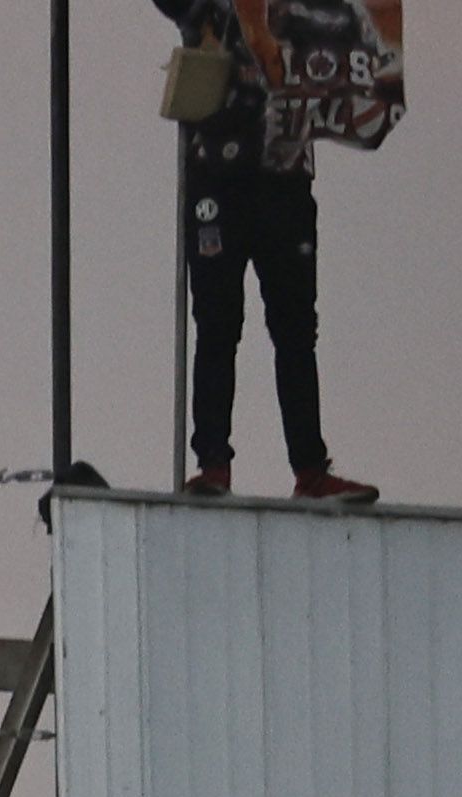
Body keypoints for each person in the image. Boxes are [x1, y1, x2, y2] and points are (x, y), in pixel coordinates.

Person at [161, 0, 377, 504]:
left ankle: (309, 470)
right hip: (218, 169)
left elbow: (355, 38)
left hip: (283, 172)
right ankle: (214, 465)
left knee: (294, 327)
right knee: (219, 322)